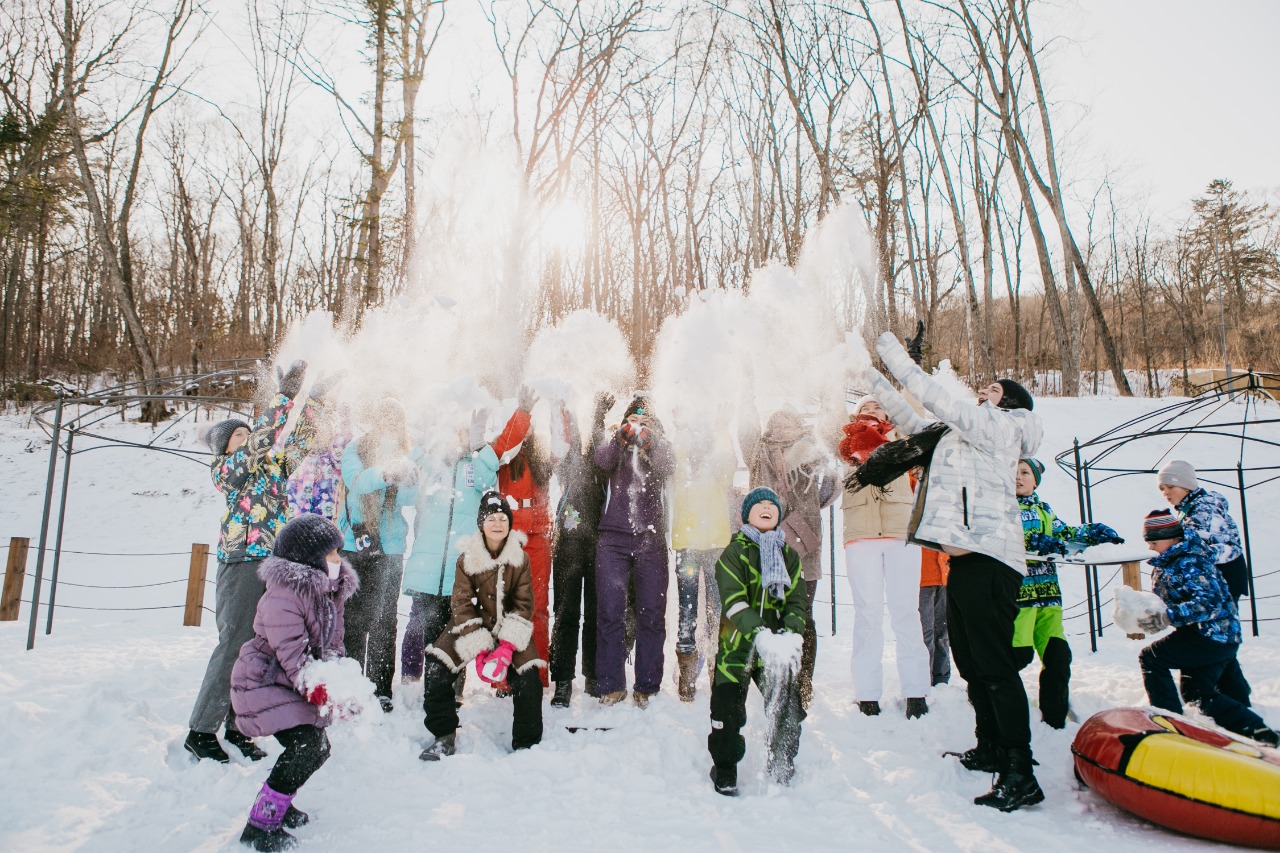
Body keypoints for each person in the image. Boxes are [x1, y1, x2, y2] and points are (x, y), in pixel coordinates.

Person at [863, 331, 1044, 812]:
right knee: (971, 664)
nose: (983, 392)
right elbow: (913, 420)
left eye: (993, 392)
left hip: (990, 563)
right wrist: (867, 376)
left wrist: (894, 356)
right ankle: (990, 747)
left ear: (1009, 405)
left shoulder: (1001, 428)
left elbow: (935, 396)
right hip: (962, 566)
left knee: (996, 669)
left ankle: (1020, 770)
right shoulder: (964, 432)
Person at [185, 361, 321, 763]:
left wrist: (315, 403)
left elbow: (299, 441)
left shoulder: (273, 470)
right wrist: (286, 397)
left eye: (247, 432)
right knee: (232, 647)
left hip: (272, 566)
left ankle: (237, 725)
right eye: (238, 436)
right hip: (242, 562)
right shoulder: (227, 470)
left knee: (258, 649)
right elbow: (263, 437)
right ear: (226, 447)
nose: (247, 438)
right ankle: (200, 730)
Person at [229, 514, 357, 851]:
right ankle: (260, 825)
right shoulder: (284, 596)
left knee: (317, 748)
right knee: (307, 747)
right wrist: (318, 689)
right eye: (331, 554)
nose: (338, 560)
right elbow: (292, 654)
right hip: (265, 681)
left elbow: (333, 644)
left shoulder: (331, 591)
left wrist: (337, 686)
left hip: (292, 683)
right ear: (309, 557)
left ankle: (280, 802)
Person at [399, 406, 528, 686]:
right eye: (454, 430)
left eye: (464, 431)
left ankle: (454, 685)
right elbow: (408, 484)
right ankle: (410, 677)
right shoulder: (433, 461)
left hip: (459, 563)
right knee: (419, 620)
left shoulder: (476, 464)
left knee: (458, 624)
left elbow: (487, 481)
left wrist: (477, 446)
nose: (458, 436)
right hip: (428, 560)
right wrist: (425, 445)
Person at [419, 491, 543, 760]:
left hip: (509, 630)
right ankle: (443, 734)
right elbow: (461, 603)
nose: (497, 524)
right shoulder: (466, 559)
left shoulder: (520, 559)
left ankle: (527, 744)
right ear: (481, 524)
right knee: (437, 666)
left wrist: (506, 648)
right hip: (469, 627)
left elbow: (524, 606)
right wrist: (478, 643)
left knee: (530, 677)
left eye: (502, 518)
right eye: (491, 519)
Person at [1136, 509, 1277, 746]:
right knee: (1198, 694)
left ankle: (1169, 724)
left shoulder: (1190, 561)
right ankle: (1259, 733)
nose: (1150, 547)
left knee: (1151, 658)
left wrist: (1168, 616)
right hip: (1216, 636)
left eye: (1154, 541)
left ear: (1172, 538)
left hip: (1211, 634)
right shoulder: (1172, 560)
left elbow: (1209, 602)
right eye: (1147, 541)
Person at [707, 488, 808, 797]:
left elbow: (798, 602)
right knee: (726, 710)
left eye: (772, 505)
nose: (767, 508)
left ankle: (782, 762)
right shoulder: (734, 553)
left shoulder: (788, 555)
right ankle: (725, 769)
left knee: (787, 707)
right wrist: (758, 634)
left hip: (774, 652)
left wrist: (791, 634)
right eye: (759, 505)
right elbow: (734, 601)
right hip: (736, 647)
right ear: (746, 513)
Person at [838, 396, 930, 718]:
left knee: (906, 612)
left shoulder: (902, 438)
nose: (871, 409)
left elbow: (922, 437)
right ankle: (866, 694)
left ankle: (916, 692)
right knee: (867, 614)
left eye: (878, 405)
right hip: (860, 534)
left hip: (899, 532)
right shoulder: (845, 440)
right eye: (865, 406)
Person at [1014, 458, 1123, 729]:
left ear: (1036, 480)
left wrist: (1093, 533)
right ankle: (989, 702)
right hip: (1020, 598)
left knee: (1058, 658)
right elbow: (1006, 537)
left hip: (1049, 597)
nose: (1018, 476)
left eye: (1025, 472)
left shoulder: (1044, 510)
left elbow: (1066, 533)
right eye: (1013, 471)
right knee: (1017, 657)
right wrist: (1033, 541)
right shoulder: (1003, 507)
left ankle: (1054, 718)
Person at [743, 406, 838, 710]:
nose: (781, 427)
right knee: (779, 616)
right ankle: (782, 680)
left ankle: (800, 681)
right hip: (776, 546)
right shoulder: (762, 451)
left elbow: (831, 483)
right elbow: (745, 429)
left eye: (786, 422)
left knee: (798, 615)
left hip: (798, 550)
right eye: (776, 422)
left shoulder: (808, 450)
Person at [338, 398, 419, 712]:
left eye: (394, 420)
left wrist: (406, 478)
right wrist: (385, 473)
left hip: (390, 545)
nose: (388, 425)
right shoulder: (355, 450)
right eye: (383, 418)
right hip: (353, 542)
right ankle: (352, 684)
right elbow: (355, 482)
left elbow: (410, 498)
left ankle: (380, 688)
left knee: (384, 620)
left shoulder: (407, 453)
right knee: (353, 620)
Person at [593, 395, 674, 707]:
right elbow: (600, 460)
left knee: (651, 613)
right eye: (633, 421)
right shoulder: (615, 442)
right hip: (612, 538)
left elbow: (669, 464)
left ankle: (648, 685)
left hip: (650, 539)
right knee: (610, 612)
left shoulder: (661, 444)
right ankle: (611, 685)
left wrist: (651, 442)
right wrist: (620, 436)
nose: (638, 427)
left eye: (645, 422)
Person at [1157, 459, 1254, 708]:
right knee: (1219, 634)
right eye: (1162, 488)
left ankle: (1223, 696)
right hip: (1215, 578)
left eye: (1171, 487)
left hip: (1223, 578)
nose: (1166, 493)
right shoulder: (1190, 508)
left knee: (1215, 634)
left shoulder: (1203, 509)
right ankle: (1235, 693)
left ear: (1187, 485)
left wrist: (1188, 553)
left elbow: (1224, 548)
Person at [549, 394, 611, 706]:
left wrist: (599, 416)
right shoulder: (568, 460)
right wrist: (568, 415)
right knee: (566, 610)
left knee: (596, 611)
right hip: (570, 539)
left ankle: (594, 675)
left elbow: (599, 453)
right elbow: (571, 453)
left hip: (599, 540)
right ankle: (562, 680)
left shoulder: (600, 462)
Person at [670, 409, 736, 702]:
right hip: (688, 546)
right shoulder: (681, 466)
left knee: (717, 611)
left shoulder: (717, 466)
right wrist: (682, 428)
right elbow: (674, 456)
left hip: (716, 545)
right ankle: (686, 676)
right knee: (687, 611)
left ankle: (716, 669)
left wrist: (722, 430)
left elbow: (730, 466)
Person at [497, 386, 553, 689]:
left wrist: (561, 408)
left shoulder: (542, 453)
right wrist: (522, 413)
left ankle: (537, 674)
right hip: (510, 538)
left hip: (540, 537)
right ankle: (506, 678)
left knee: (538, 609)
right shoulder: (507, 453)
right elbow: (503, 445)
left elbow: (563, 448)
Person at [286, 407, 352, 522]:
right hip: (294, 519)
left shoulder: (332, 457)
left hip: (323, 518)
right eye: (315, 430)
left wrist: (344, 414)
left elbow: (343, 438)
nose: (319, 434)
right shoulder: (297, 456)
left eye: (325, 431)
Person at [919, 547, 951, 687]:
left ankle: (941, 679)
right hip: (922, 578)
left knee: (942, 633)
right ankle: (924, 679)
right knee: (926, 633)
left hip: (943, 576)